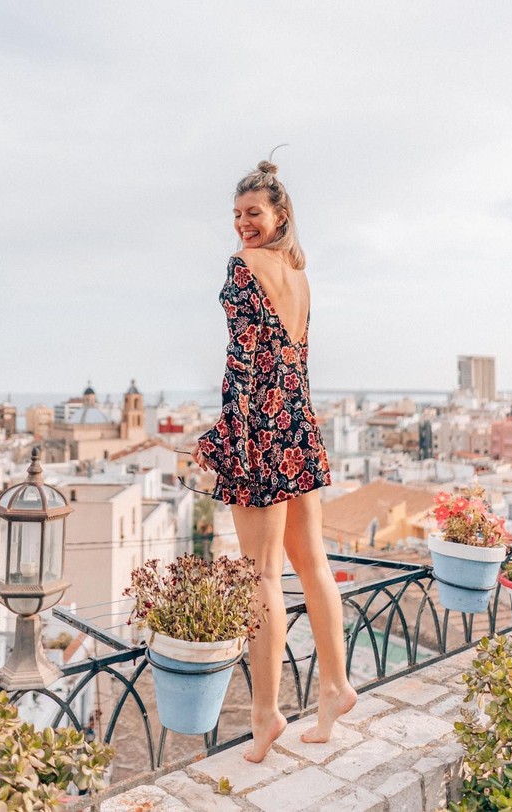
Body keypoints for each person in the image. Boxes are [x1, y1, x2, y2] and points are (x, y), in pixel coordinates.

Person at [191, 160, 356, 763]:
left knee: (260, 575)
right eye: (236, 216)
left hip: (260, 434)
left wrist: (217, 440)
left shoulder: (244, 268)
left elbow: (244, 368)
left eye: (253, 214)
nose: (242, 226)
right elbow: (290, 365)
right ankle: (335, 687)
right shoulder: (297, 273)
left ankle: (266, 713)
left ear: (279, 214)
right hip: (297, 425)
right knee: (312, 563)